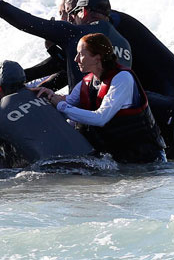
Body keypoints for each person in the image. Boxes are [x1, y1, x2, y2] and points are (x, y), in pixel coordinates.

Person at [25, 0, 174, 99]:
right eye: (62, 14)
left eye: (69, 13)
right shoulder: (107, 22)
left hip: (166, 92)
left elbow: (69, 66)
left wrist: (25, 82)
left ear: (84, 9)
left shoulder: (105, 29)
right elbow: (73, 65)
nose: (66, 20)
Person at [35, 33, 166, 164]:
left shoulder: (123, 78)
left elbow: (101, 118)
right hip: (119, 160)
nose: (76, 59)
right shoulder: (87, 82)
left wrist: (61, 105)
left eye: (80, 54)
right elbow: (66, 103)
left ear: (97, 58)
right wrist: (49, 95)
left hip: (148, 161)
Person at [0, 0, 132, 91]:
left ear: (84, 11)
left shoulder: (76, 32)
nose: (71, 19)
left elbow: (29, 23)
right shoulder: (124, 41)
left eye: (73, 13)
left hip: (86, 119)